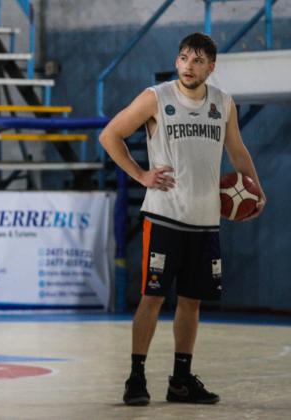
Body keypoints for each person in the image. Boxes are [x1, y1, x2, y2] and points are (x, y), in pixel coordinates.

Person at [100, 32, 266, 406]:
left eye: (197, 61)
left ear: (211, 66)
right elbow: (110, 136)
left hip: (206, 220)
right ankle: (136, 376)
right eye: (183, 59)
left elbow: (237, 151)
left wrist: (257, 188)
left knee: (192, 301)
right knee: (153, 296)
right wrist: (141, 175)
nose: (188, 66)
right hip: (164, 215)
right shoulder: (156, 97)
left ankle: (181, 379)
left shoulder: (223, 104)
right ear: (177, 62)